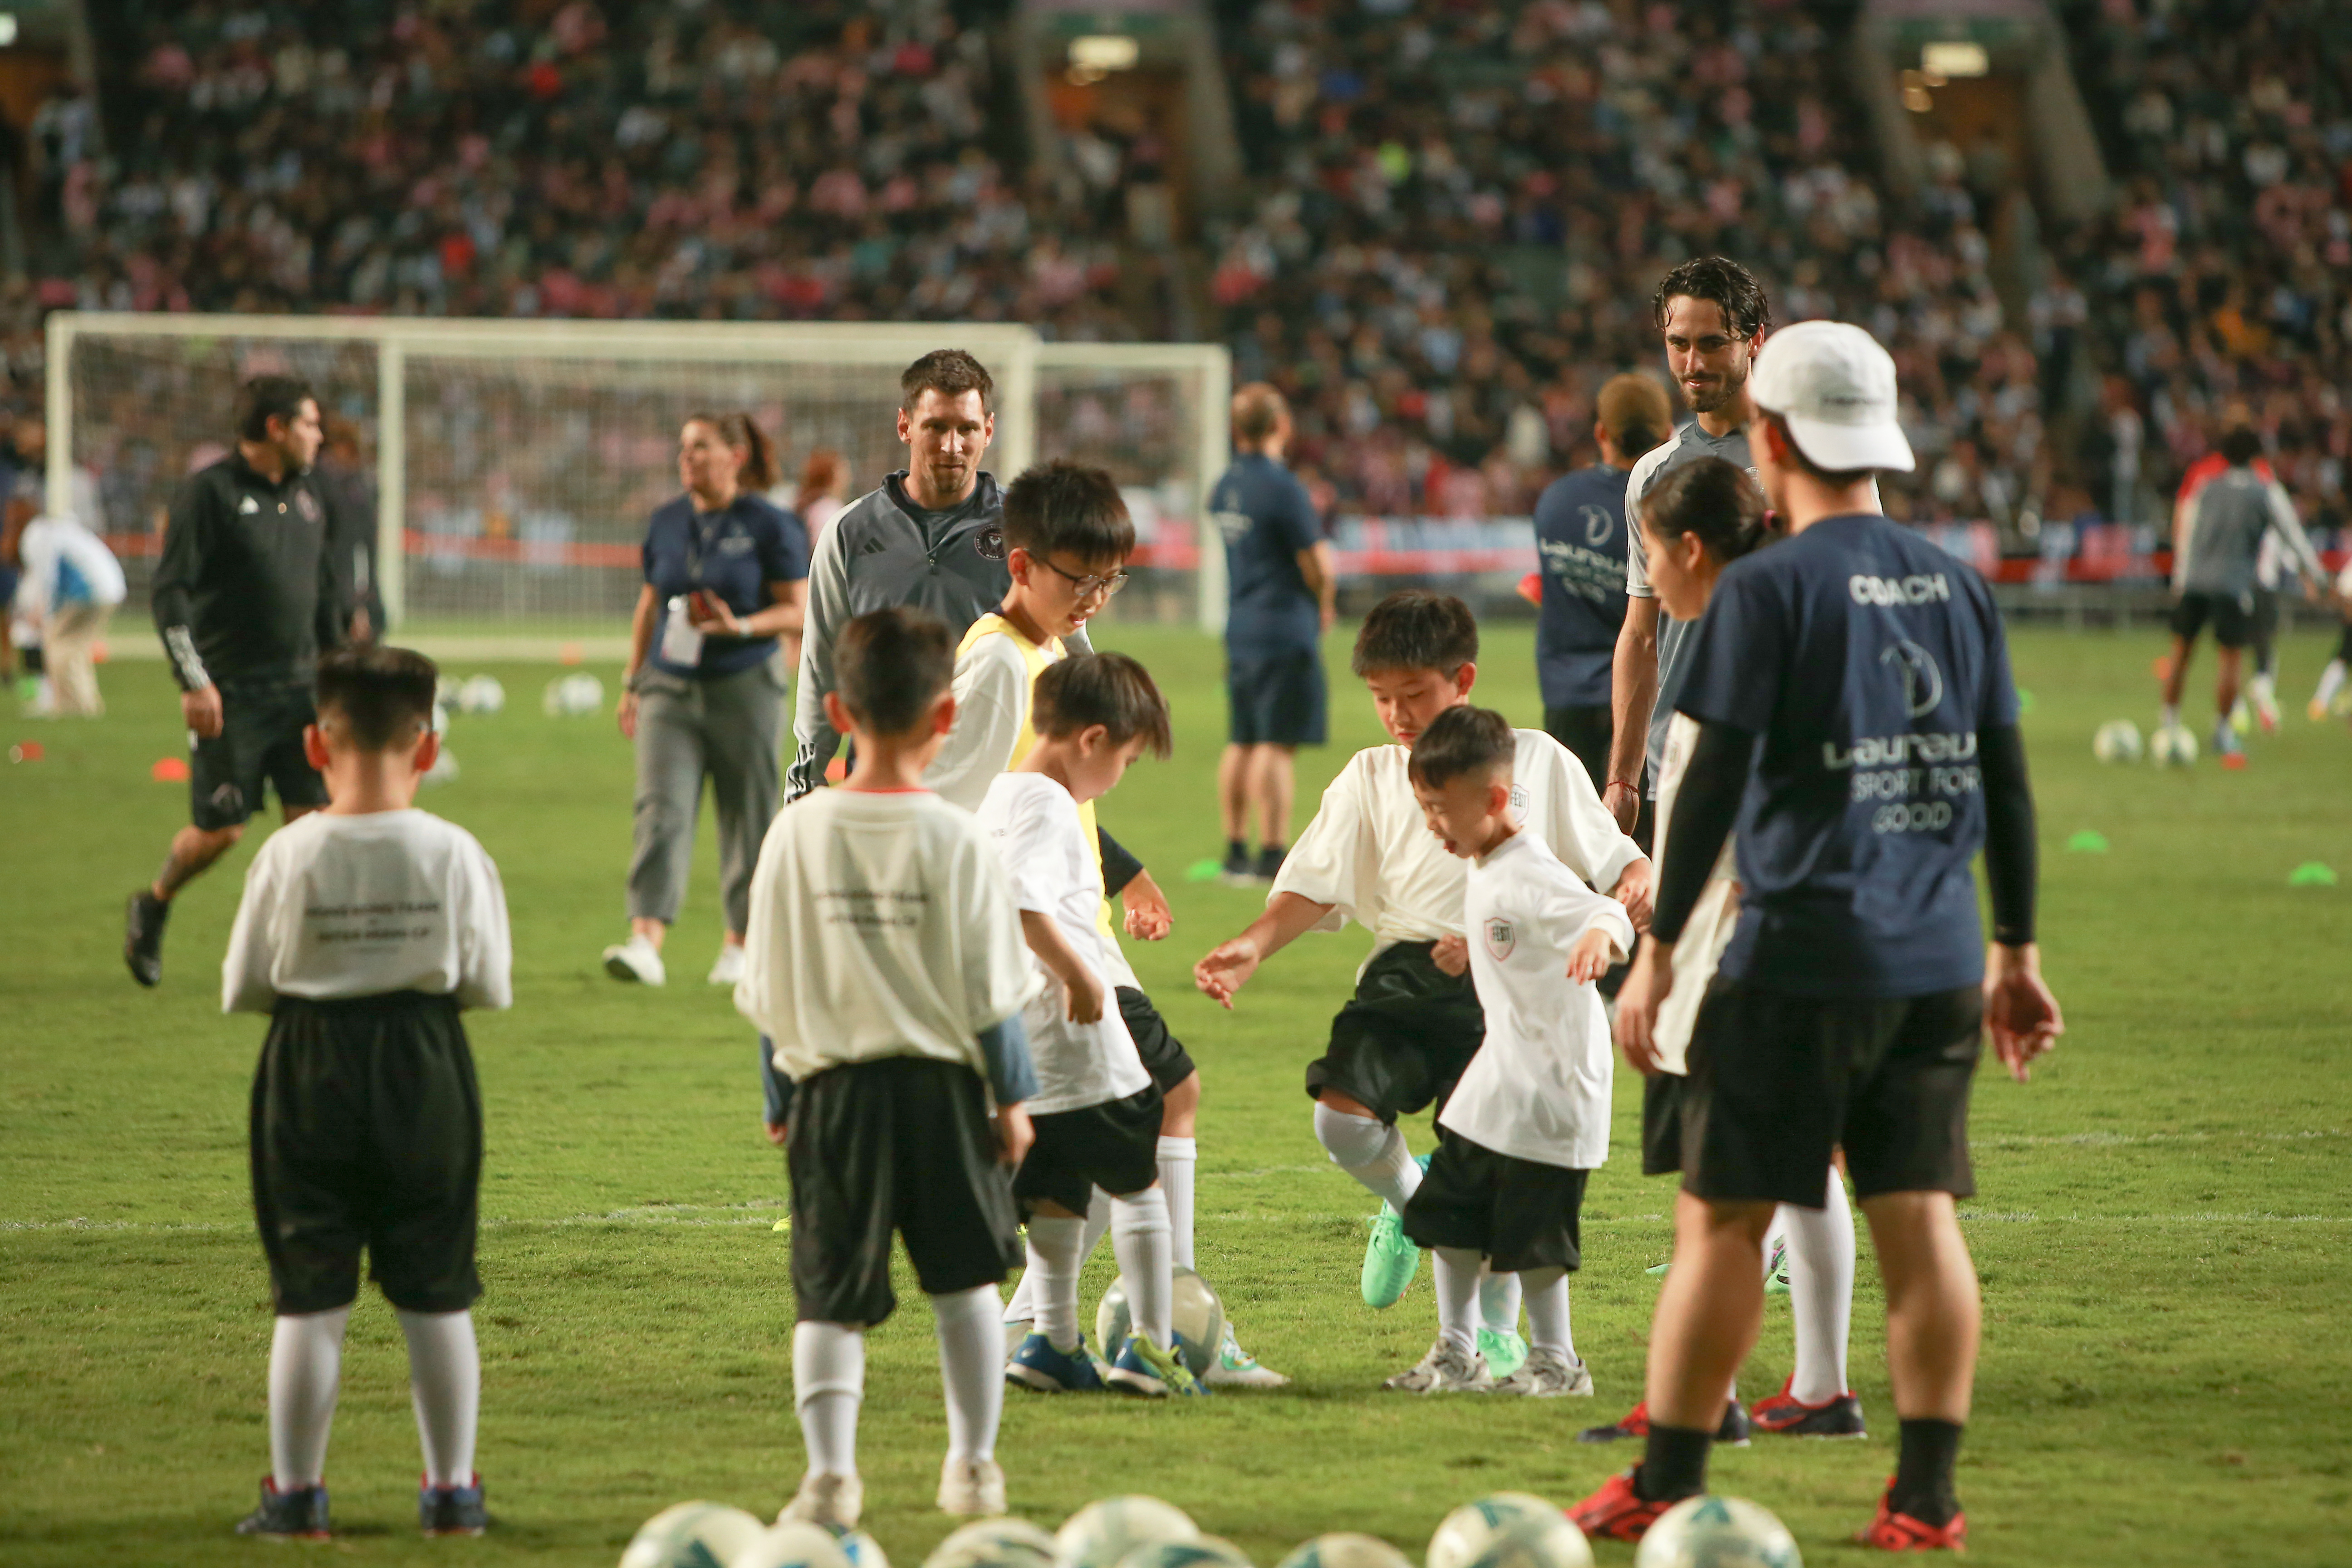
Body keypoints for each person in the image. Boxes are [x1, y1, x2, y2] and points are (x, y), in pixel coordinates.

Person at [1568, 322, 2063, 1551]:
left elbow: (1717, 780)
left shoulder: (1770, 589)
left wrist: (1664, 955)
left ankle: (1668, 1480)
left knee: (1722, 1220)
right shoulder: (1958, 582)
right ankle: (1927, 1500)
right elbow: (2005, 783)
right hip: (1941, 959)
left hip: (1797, 960)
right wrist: (2017, 954)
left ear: (1774, 436)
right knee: (1921, 1219)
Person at [1193, 592, 1650, 1379]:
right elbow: (1314, 881)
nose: (1396, 716)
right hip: (1409, 971)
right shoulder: (1370, 774)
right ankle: (1411, 1208)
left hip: (1508, 984)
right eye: (1380, 698)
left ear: (1461, 678)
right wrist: (1250, 946)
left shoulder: (1532, 758)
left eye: (1412, 695)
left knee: (1494, 1162)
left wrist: (1630, 892)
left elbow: (1616, 867)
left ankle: (1494, 1346)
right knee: (1338, 1121)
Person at [926, 460, 1282, 1388]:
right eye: (1078, 578)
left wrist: (1124, 873)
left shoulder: (1053, 651)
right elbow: (954, 806)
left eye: (1109, 579)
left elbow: (1050, 791)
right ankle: (1166, 1328)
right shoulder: (1001, 660)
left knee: (1085, 1148)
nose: (1094, 597)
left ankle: (1064, 1329)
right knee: (1164, 1106)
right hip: (1051, 950)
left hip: (1068, 932)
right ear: (1022, 564)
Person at [1574, 458, 1866, 1449]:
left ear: (1690, 549)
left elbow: (1734, 786)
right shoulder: (1800, 611)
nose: (1650, 576)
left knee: (1728, 1176)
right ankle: (1810, 1388)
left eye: (1652, 554)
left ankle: (1704, 1405)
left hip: (1745, 928)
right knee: (1793, 1155)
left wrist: (1664, 945)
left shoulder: (1753, 630)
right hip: (1794, 917)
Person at [734, 606, 1039, 1525]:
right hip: (947, 1094)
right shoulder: (957, 839)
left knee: (828, 1296)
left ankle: (830, 1478)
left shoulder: (796, 833)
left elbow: (767, 981)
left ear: (836, 707)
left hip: (833, 1092)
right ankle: (973, 1467)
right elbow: (992, 991)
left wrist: (779, 1090)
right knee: (965, 1286)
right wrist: (1013, 1098)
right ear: (946, 717)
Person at [221, 645, 512, 1539]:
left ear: (317, 743)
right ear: (427, 748)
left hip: (307, 1066)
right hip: (425, 1065)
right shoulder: (455, 852)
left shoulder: (287, 853)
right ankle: (452, 1494)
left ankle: (297, 1499)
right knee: (436, 1290)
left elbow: (246, 986)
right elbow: (487, 984)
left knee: (310, 1296)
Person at [1383, 706, 1632, 1397]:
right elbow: (1512, 923)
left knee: (1533, 1230)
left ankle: (1559, 1363)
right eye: (1424, 806)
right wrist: (1477, 948)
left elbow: (1605, 911)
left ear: (1495, 801)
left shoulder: (1530, 870)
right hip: (1500, 1078)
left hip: (1553, 1084)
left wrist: (1599, 939)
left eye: (1439, 809)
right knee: (1449, 1208)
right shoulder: (1485, 858)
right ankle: (1457, 1353)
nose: (1431, 822)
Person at [988, 653, 1202, 1399]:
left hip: (1021, 1039)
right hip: (1076, 1030)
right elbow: (1022, 903)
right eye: (1126, 759)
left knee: (1057, 1191)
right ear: (1091, 740)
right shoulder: (1048, 804)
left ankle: (1053, 1343)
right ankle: (1150, 1346)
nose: (1118, 777)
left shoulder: (1000, 793)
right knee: (1137, 1181)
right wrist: (1082, 975)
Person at [126, 375, 351, 989]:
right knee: (220, 832)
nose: (319, 436)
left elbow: (326, 592)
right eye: (309, 424)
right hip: (232, 697)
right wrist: (194, 681)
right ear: (275, 428)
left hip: (304, 693)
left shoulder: (313, 494)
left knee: (314, 826)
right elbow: (171, 591)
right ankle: (155, 900)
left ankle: (301, 953)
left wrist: (342, 674)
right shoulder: (210, 494)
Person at [604, 411, 808, 989]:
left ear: (734, 457)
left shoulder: (770, 523)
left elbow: (798, 608)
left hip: (745, 682)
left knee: (747, 814)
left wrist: (739, 627)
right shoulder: (667, 520)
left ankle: (740, 946)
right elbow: (650, 604)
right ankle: (645, 942)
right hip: (669, 683)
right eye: (683, 448)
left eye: (700, 448)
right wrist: (632, 679)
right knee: (659, 810)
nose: (686, 458)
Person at [1605, 257, 1772, 845]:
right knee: (1670, 936)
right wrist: (1623, 780)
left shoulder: (1809, 464)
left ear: (1755, 340)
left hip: (1781, 761)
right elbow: (1642, 634)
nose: (1693, 365)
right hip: (1674, 765)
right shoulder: (1654, 475)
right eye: (1678, 344)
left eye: (1711, 344)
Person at [1208, 382, 1334, 884]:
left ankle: (1235, 851)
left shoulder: (1225, 486)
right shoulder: (1284, 488)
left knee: (1241, 739)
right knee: (1276, 744)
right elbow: (1317, 563)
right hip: (1284, 624)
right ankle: (1271, 856)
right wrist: (1324, 604)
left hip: (1240, 624)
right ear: (1282, 426)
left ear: (1236, 429)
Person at [2156, 426, 2331, 763]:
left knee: (2180, 655)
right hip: (2232, 585)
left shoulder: (2206, 488)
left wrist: (2181, 580)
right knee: (2230, 661)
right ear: (2256, 457)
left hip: (2194, 582)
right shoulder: (2265, 491)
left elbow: (2188, 534)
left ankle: (2169, 724)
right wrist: (2319, 577)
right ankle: (2223, 732)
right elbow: (2292, 534)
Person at [1534, 373, 1671, 792]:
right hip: (1638, 696)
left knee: (1577, 843)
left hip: (1565, 696)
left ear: (1601, 433)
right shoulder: (1664, 507)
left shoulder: (1555, 499)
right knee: (1637, 841)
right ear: (1668, 435)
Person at [9, 505, 124, 716]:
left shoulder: (35, 536)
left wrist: (47, 613)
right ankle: (86, 704)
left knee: (60, 646)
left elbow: (48, 577)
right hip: (110, 589)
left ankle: (74, 707)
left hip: (89, 592)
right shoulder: (54, 530)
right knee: (76, 648)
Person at [794, 448, 852, 547]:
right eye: (843, 473)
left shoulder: (801, 501)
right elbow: (826, 547)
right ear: (831, 477)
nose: (849, 479)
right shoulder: (828, 508)